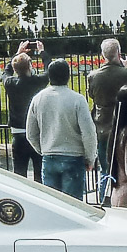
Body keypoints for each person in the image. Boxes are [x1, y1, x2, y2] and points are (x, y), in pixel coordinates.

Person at [86, 39, 127, 201]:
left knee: (105, 169)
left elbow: (91, 95)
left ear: (103, 55)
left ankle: (104, 200)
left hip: (103, 127)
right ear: (119, 54)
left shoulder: (93, 76)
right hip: (126, 127)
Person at [26, 59, 98, 200]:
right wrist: (90, 157)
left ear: (49, 76)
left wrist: (43, 149)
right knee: (73, 206)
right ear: (68, 76)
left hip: (49, 156)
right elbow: (88, 132)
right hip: (73, 157)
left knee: (53, 206)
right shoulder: (78, 100)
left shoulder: (38, 99)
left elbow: (31, 133)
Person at [3, 46, 49, 180]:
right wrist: (42, 53)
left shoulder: (11, 83)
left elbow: (6, 72)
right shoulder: (36, 82)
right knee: (39, 174)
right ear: (30, 66)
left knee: (19, 174)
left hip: (18, 133)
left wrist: (17, 54)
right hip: (36, 132)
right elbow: (49, 70)